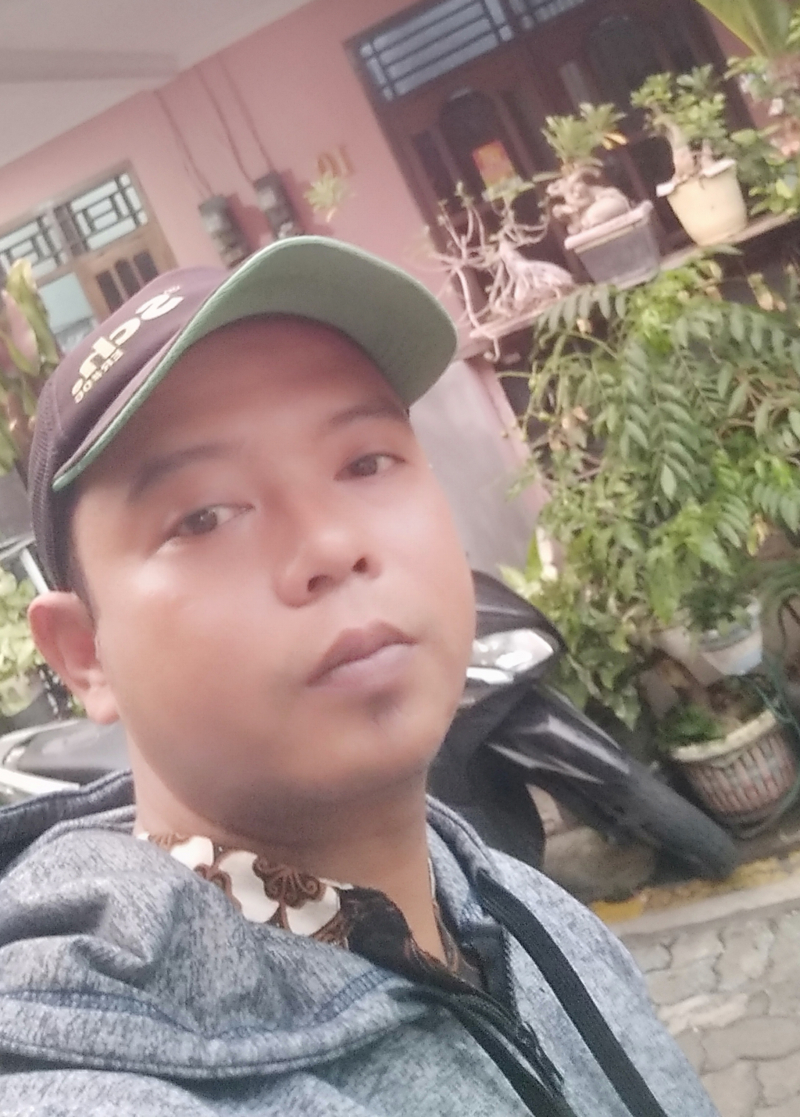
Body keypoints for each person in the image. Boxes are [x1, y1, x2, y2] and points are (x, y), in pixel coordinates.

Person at [0, 237, 715, 1116]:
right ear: (84, 653)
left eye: (366, 463)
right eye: (205, 515)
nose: (333, 545)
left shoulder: (529, 914)